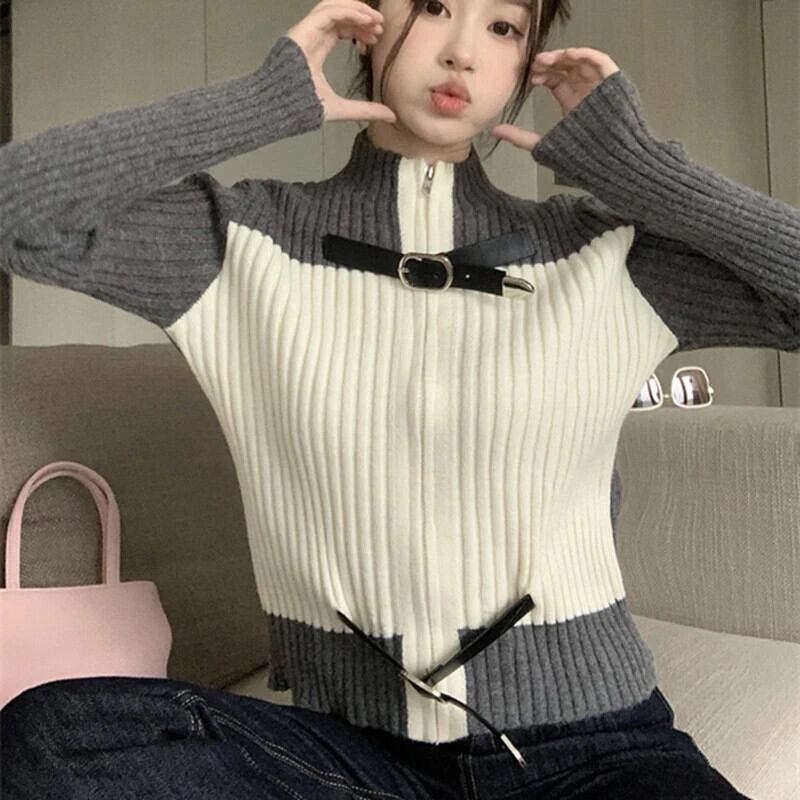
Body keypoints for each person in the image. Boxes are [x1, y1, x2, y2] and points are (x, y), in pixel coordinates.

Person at [1, 0, 797, 796]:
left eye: (503, 27)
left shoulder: (604, 255)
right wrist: (260, 101)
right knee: (54, 736)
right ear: (367, 20)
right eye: (433, 6)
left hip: (599, 752)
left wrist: (644, 169)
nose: (462, 52)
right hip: (356, 759)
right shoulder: (239, 244)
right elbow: (17, 213)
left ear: (526, 61)